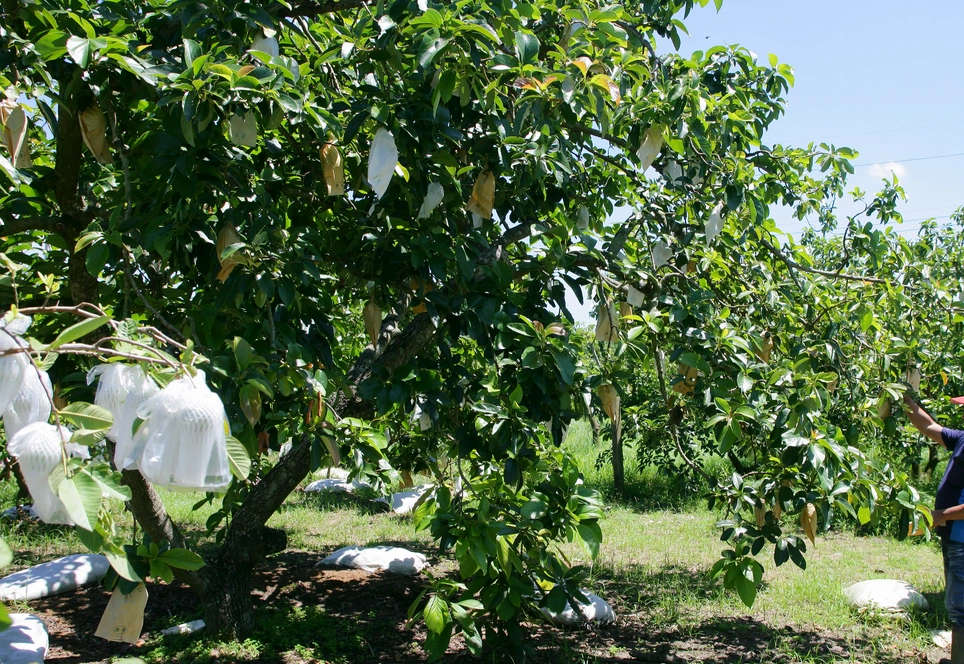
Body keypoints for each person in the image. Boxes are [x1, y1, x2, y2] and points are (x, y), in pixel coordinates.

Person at [904, 391, 964, 664]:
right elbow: (926, 425)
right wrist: (903, 397)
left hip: (962, 539)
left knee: (960, 608)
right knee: (957, 604)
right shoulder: (962, 438)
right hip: (955, 538)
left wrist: (940, 516)